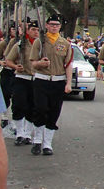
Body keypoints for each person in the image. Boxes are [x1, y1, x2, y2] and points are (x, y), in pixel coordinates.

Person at [29, 14, 73, 155]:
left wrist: (68, 83)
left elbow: (68, 65)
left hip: (57, 81)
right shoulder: (39, 42)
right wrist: (40, 64)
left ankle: (47, 143)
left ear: (60, 27)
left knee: (54, 112)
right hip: (42, 80)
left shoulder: (65, 44)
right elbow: (33, 63)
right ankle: (37, 141)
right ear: (47, 25)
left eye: (57, 25)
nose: (54, 27)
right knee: (40, 109)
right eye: (52, 24)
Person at [5, 20, 39, 146]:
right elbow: (8, 60)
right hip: (21, 78)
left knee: (32, 107)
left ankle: (27, 134)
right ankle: (19, 133)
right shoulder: (20, 44)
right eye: (33, 30)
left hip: (36, 79)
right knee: (19, 105)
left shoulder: (41, 46)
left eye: (37, 30)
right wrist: (15, 67)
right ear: (27, 31)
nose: (35, 33)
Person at [0, 24, 18, 127]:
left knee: (17, 97)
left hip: (17, 72)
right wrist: (1, 62)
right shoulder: (4, 43)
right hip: (7, 71)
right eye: (13, 29)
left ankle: (16, 119)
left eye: (17, 29)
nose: (16, 31)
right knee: (5, 94)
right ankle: (5, 116)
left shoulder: (21, 42)